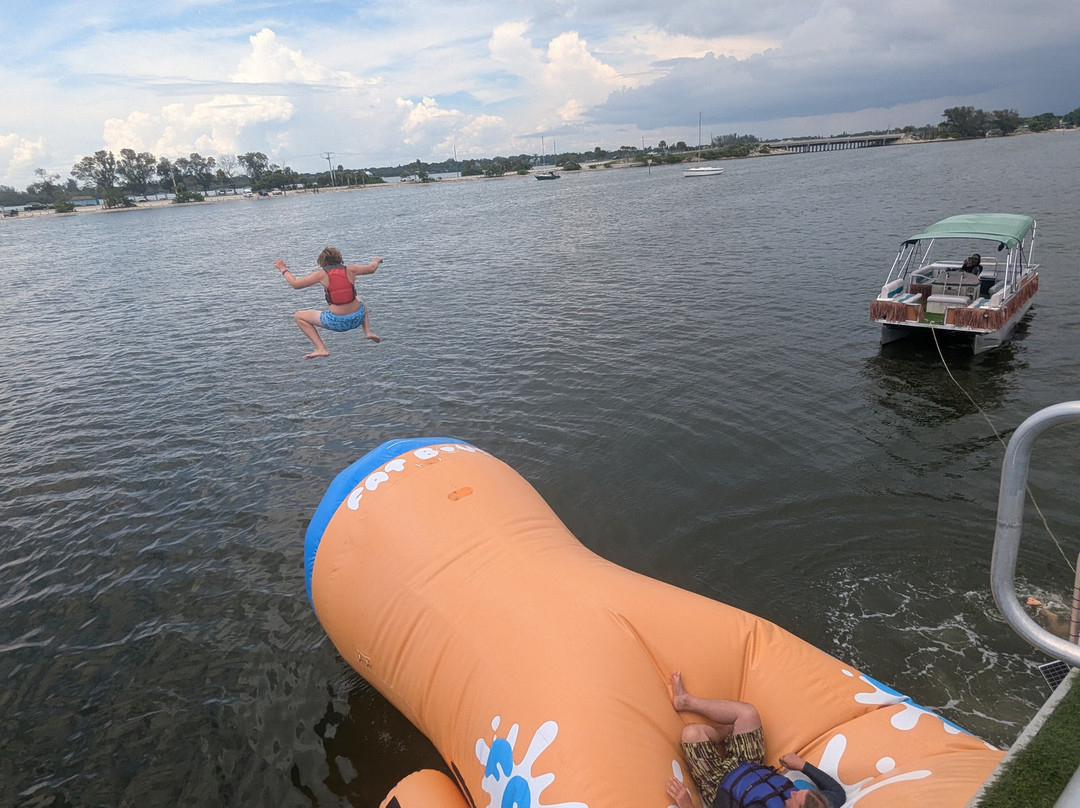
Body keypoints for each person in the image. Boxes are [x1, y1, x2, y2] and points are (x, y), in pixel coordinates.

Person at [664, 672, 845, 808]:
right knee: (747, 713)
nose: (792, 792)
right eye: (797, 791)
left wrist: (686, 803)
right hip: (752, 765)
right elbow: (838, 792)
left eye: (793, 798)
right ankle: (685, 701)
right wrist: (801, 765)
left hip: (719, 782)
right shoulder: (818, 804)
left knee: (691, 733)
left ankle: (724, 735)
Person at [275, 247, 383, 359]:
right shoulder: (350, 269)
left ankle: (321, 348)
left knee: (298, 316)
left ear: (322, 263)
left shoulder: (321, 274)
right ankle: (368, 331)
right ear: (339, 258)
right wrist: (376, 260)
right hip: (358, 318)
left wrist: (283, 269)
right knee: (359, 300)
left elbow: (296, 284)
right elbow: (371, 269)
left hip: (337, 322)